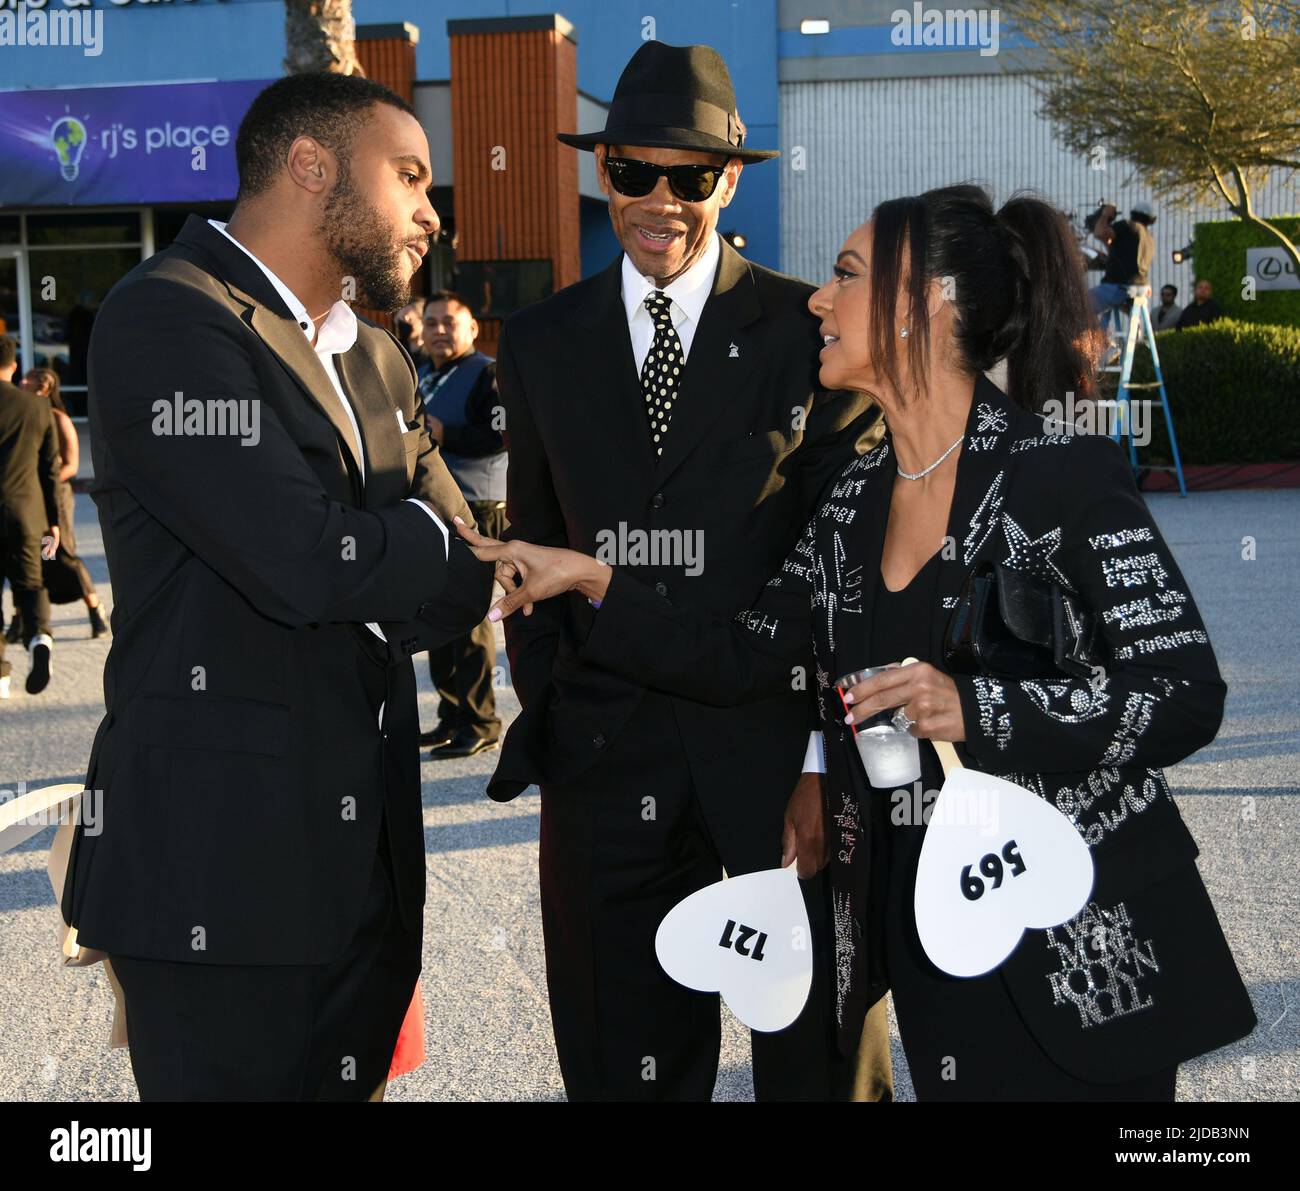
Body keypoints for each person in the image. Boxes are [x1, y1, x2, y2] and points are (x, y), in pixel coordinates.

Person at [462, 183, 1257, 1101]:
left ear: (927, 303)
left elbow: (1185, 691)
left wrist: (978, 707)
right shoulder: (853, 502)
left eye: (845, 275)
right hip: (933, 945)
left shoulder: (1059, 473)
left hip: (1074, 940)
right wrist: (591, 577)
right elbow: (743, 654)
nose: (816, 299)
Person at [59, 72, 494, 1101]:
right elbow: (301, 559)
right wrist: (410, 547)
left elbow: (457, 567)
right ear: (311, 167)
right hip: (217, 881)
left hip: (368, 873)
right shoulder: (166, 315)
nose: (432, 212)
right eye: (410, 177)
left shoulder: (379, 359)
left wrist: (413, 551)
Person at [486, 40, 885, 1102]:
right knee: (622, 1067)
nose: (658, 201)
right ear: (601, 169)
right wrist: (553, 699)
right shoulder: (537, 342)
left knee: (816, 1065)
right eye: (632, 173)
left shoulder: (815, 333)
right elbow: (531, 536)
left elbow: (843, 578)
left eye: (690, 176)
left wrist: (818, 757)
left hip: (778, 765)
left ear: (731, 178)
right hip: (603, 765)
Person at [416, 291, 507, 758]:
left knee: (470, 617)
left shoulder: (485, 372)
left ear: (472, 328)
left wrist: (446, 434)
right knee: (436, 613)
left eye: (449, 322)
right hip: (433, 511)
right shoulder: (424, 372)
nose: (438, 330)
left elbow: (501, 434)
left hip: (476, 507)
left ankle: (481, 720)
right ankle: (451, 715)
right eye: (430, 322)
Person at [14, 369, 109, 638]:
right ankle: (23, 618)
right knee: (32, 555)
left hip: (55, 497)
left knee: (62, 552)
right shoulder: (26, 414)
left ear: (43, 387)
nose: (21, 382)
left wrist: (44, 476)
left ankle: (94, 609)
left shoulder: (58, 418)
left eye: (27, 380)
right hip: (31, 496)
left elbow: (72, 465)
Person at [0, 335, 60, 698]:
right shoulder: (38, 409)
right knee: (30, 584)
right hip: (26, 511)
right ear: (14, 365)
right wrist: (53, 521)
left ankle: (1, 676)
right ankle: (40, 638)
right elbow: (49, 470)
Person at [1089, 201, 1157, 327]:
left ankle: (1090, 340)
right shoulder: (1148, 238)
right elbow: (1116, 251)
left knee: (1080, 305)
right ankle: (1136, 329)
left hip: (1118, 286)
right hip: (1139, 287)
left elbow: (1099, 232)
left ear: (1133, 214)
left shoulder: (1128, 225)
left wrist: (1105, 214)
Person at [395, 296, 426, 361]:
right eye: (400, 320)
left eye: (409, 319)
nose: (403, 323)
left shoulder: (434, 350)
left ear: (423, 320)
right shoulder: (396, 348)